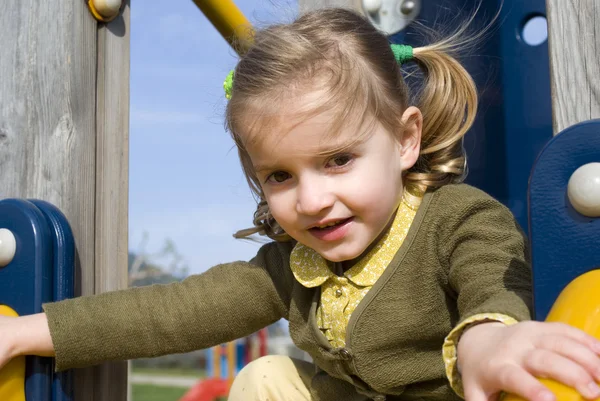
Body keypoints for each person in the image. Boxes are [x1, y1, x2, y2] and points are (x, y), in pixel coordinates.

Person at [2, 7, 600, 401]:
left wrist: (488, 338)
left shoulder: (456, 219)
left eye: (338, 160)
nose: (312, 200)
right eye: (280, 175)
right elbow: (172, 312)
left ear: (404, 139)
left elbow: (495, 282)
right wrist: (28, 332)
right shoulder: (290, 267)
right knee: (265, 377)